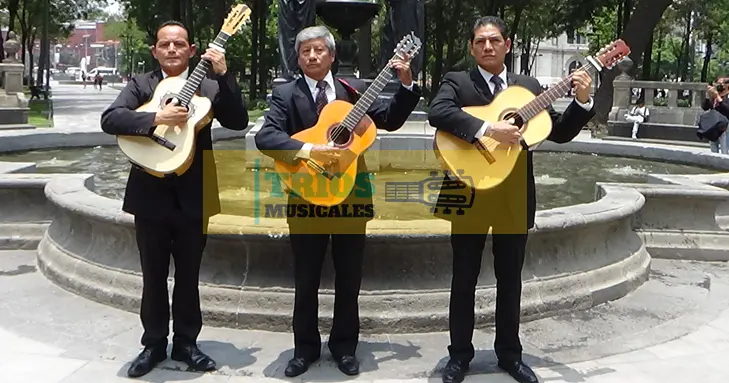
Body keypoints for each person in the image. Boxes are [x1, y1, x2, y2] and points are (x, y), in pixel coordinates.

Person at [427, 16, 595, 383]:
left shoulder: (528, 87)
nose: (487, 47)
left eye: (494, 40)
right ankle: (458, 357)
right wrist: (489, 128)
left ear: (507, 44)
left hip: (514, 190)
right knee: (463, 278)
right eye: (480, 41)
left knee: (511, 280)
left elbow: (559, 132)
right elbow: (437, 113)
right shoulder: (457, 81)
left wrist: (582, 102)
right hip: (465, 184)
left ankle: (510, 354)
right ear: (472, 47)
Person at [254, 25, 421, 377]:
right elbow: (267, 136)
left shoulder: (353, 91)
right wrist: (312, 148)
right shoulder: (286, 94)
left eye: (319, 50)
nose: (312, 56)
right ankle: (305, 350)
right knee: (305, 277)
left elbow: (389, 119)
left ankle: (345, 347)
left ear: (331, 55)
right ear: (297, 58)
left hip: (352, 192)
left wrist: (406, 84)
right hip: (304, 192)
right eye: (305, 51)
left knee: (349, 277)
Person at [100, 20, 249, 378]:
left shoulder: (210, 85)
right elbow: (110, 119)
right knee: (152, 275)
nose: (171, 49)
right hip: (149, 193)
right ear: (155, 50)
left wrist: (226, 76)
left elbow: (239, 121)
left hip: (194, 192)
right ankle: (152, 344)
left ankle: (186, 342)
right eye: (164, 44)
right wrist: (156, 117)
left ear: (192, 50)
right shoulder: (142, 85)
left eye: (179, 44)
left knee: (188, 275)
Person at [701, 77, 729, 154]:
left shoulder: (727, 96)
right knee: (713, 149)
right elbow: (705, 107)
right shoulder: (714, 96)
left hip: (725, 126)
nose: (719, 86)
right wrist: (708, 95)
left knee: (724, 149)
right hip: (713, 125)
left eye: (721, 84)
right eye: (717, 84)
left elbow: (727, 110)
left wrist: (718, 97)